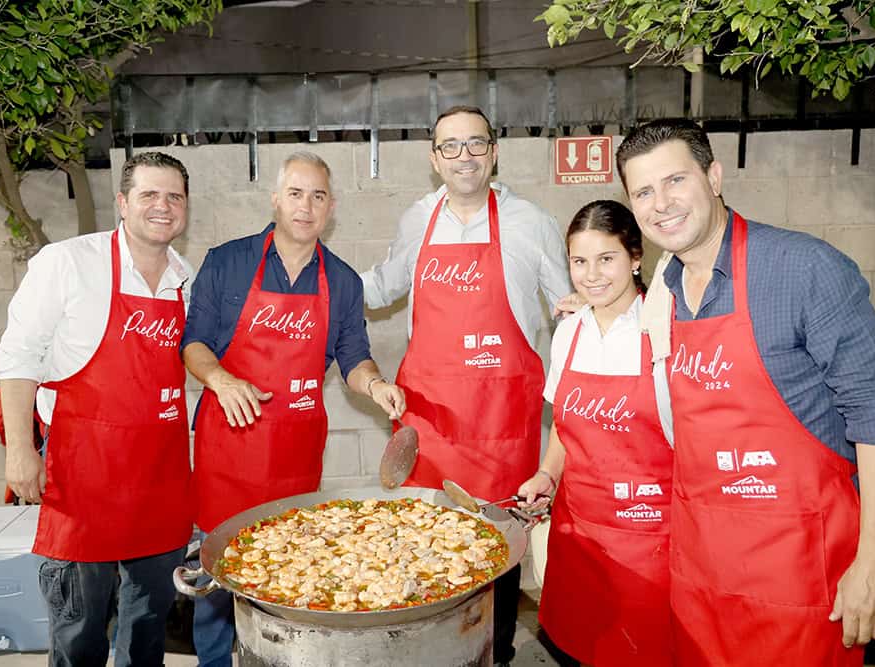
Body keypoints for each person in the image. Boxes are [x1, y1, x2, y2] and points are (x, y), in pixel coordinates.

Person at [618, 118, 875, 666]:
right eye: (643, 191)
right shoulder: (661, 294)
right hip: (701, 576)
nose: (661, 203)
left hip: (801, 576)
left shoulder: (804, 268)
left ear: (714, 176)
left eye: (676, 181)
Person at [360, 105, 571, 666]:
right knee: (428, 545)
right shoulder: (418, 219)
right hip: (431, 423)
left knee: (498, 549)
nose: (464, 157)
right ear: (434, 158)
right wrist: (317, 278)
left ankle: (496, 654)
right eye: (450, 146)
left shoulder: (530, 221)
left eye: (475, 144)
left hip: (503, 422)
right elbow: (381, 288)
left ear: (494, 150)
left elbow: (569, 305)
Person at [183, 151, 405, 667]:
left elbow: (353, 357)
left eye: (319, 196)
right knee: (218, 576)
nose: (306, 207)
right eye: (296, 193)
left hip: (294, 456)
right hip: (228, 454)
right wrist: (220, 378)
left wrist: (376, 387)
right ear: (276, 199)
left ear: (330, 208)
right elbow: (193, 342)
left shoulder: (343, 281)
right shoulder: (227, 262)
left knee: (290, 574)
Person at [0, 152, 195, 667]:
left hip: (159, 477)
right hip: (83, 474)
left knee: (148, 625)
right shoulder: (67, 263)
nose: (163, 206)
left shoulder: (184, 276)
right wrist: (21, 451)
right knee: (79, 630)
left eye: (174, 196)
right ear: (123, 203)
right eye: (149, 194)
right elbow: (18, 358)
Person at [517, 200, 673, 666]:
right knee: (585, 646)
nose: (591, 275)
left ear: (635, 257)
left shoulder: (663, 330)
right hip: (580, 529)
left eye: (606, 259)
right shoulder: (569, 332)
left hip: (650, 537)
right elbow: (566, 425)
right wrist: (546, 474)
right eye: (579, 261)